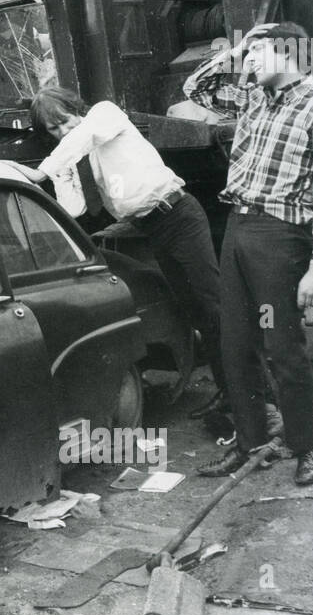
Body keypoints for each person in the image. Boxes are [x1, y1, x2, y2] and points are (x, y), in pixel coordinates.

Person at [184, 22, 313, 486]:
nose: (249, 62)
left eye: (259, 53)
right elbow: (196, 89)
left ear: (289, 52)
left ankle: (308, 448)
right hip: (237, 226)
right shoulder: (252, 99)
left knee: (282, 346)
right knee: (235, 344)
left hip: (280, 238)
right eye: (249, 54)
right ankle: (251, 445)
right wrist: (239, 49)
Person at [16, 87, 227, 399]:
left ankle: (258, 402)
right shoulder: (79, 151)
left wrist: (40, 172)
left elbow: (82, 134)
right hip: (154, 227)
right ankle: (229, 397)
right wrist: (60, 172)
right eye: (54, 129)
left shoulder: (104, 114)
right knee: (195, 310)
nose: (64, 131)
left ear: (77, 108)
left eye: (65, 120)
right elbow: (74, 209)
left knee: (214, 308)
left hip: (178, 215)